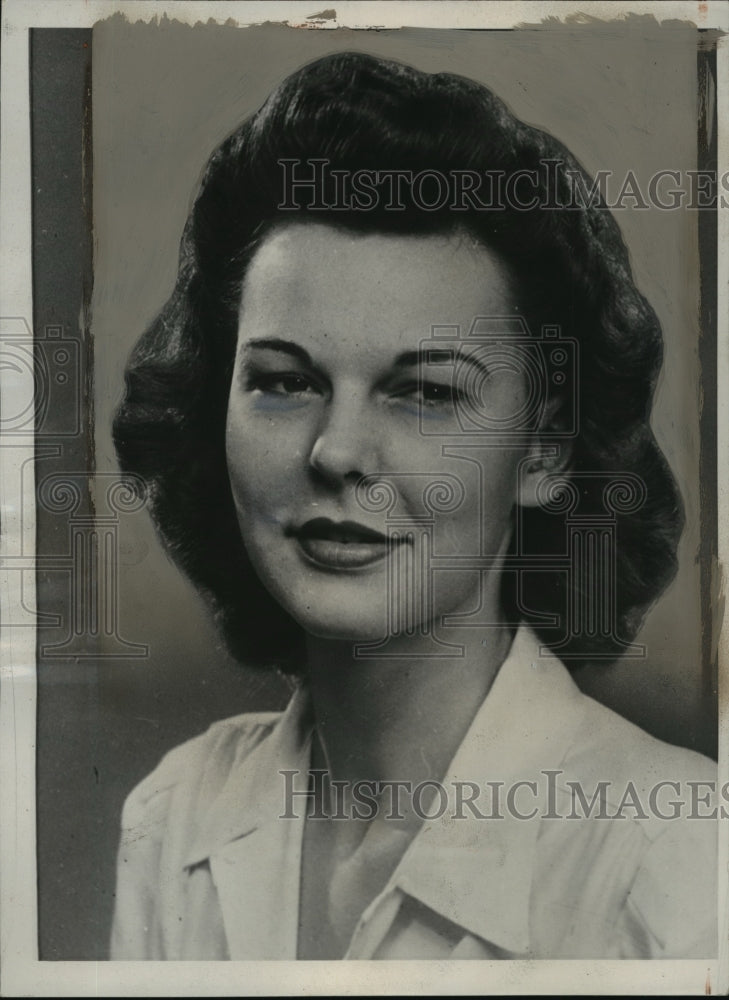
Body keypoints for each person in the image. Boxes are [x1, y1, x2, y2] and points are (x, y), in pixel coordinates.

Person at [110, 51, 716, 960]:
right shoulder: (176, 815)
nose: (338, 451)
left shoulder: (679, 859)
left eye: (425, 392)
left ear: (543, 452)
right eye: (282, 381)